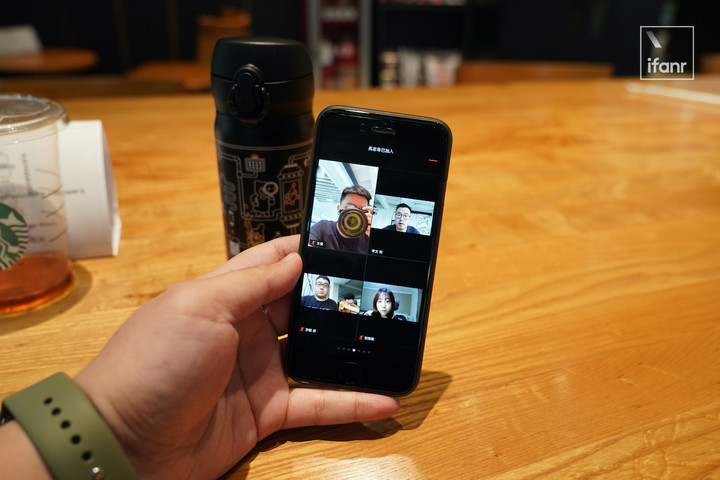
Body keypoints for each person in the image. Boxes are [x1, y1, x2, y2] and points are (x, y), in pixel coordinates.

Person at [0, 236, 399, 480]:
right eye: (321, 284)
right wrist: (119, 432)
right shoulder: (308, 297)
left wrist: (121, 438)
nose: (324, 288)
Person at [309, 185, 373, 252]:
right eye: (349, 207)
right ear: (338, 209)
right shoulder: (323, 227)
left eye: (360, 210)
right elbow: (307, 249)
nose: (353, 213)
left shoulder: (367, 237)